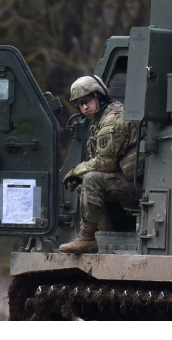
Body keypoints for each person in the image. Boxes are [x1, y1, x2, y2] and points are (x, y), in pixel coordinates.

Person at [58, 75, 139, 254]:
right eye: (80, 105)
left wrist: (76, 171)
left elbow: (105, 164)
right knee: (83, 182)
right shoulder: (100, 120)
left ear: (99, 97)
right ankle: (105, 231)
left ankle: (87, 239)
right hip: (126, 179)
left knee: (91, 180)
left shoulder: (113, 120)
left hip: (137, 185)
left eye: (87, 102)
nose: (84, 108)